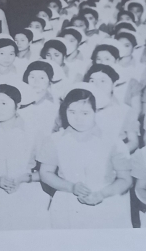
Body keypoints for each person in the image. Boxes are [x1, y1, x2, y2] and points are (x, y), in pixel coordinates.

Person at [38, 88, 132, 228]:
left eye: (85, 113)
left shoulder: (112, 141)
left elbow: (125, 179)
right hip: (67, 203)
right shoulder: (55, 140)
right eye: (72, 112)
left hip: (106, 202)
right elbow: (45, 173)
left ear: (95, 112)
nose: (78, 118)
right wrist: (71, 187)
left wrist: (102, 194)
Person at [0, 84, 48, 231]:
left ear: (17, 105)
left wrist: (23, 178)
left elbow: (47, 172)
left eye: (4, 103)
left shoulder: (34, 132)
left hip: (26, 193)